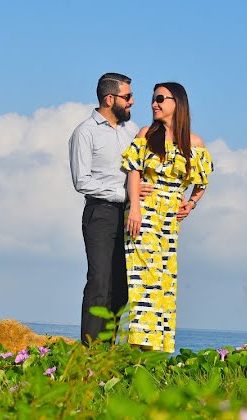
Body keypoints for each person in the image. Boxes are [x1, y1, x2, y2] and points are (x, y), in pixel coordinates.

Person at [121, 82, 213, 353]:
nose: (154, 104)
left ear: (177, 103)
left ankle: (158, 348)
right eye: (153, 99)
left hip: (170, 220)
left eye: (160, 98)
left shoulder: (194, 143)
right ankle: (137, 345)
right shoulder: (146, 134)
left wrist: (192, 203)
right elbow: (133, 170)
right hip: (144, 212)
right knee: (140, 278)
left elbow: (203, 180)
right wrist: (135, 206)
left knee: (163, 279)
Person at [69, 73, 142, 346]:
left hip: (130, 215)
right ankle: (89, 352)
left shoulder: (132, 131)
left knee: (122, 287)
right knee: (99, 282)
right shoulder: (84, 132)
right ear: (109, 99)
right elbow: (81, 181)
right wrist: (125, 194)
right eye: (127, 97)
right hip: (100, 213)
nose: (132, 102)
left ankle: (108, 351)